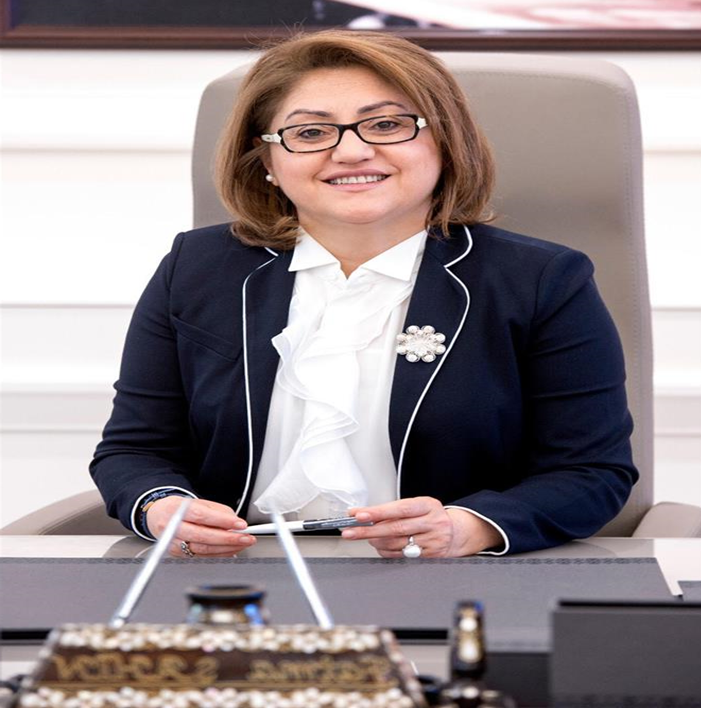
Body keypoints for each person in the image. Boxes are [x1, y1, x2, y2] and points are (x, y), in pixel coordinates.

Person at [90, 29, 637, 560]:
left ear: (445, 142)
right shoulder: (197, 268)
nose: (351, 152)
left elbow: (591, 473)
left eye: (387, 124)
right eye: (310, 133)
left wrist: (465, 528)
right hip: (235, 581)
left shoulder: (542, 280)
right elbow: (135, 451)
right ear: (268, 161)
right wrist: (162, 506)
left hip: (445, 578)